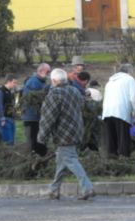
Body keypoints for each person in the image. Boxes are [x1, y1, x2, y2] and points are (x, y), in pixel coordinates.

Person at [38, 68, 95, 201]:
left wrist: (42, 136)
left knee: (70, 160)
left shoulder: (54, 94)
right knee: (61, 162)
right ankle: (54, 189)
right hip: (76, 130)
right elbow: (81, 105)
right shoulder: (74, 91)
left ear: (53, 80)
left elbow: (48, 118)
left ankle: (87, 188)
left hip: (63, 134)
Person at [102, 63, 135, 157]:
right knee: (123, 137)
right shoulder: (129, 79)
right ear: (129, 71)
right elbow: (133, 97)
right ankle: (124, 157)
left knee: (111, 138)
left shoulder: (110, 81)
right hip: (121, 111)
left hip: (107, 111)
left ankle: (112, 156)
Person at [21, 63, 51, 153]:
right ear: (41, 71)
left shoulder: (41, 82)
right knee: (33, 141)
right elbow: (39, 98)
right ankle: (33, 158)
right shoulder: (33, 82)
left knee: (40, 141)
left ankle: (40, 156)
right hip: (32, 117)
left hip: (38, 117)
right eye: (47, 72)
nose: (49, 74)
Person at [0, 75, 18, 145]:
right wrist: (2, 118)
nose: (15, 85)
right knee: (8, 141)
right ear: (8, 82)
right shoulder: (0, 91)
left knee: (12, 140)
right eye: (14, 82)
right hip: (4, 119)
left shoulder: (10, 92)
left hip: (11, 119)